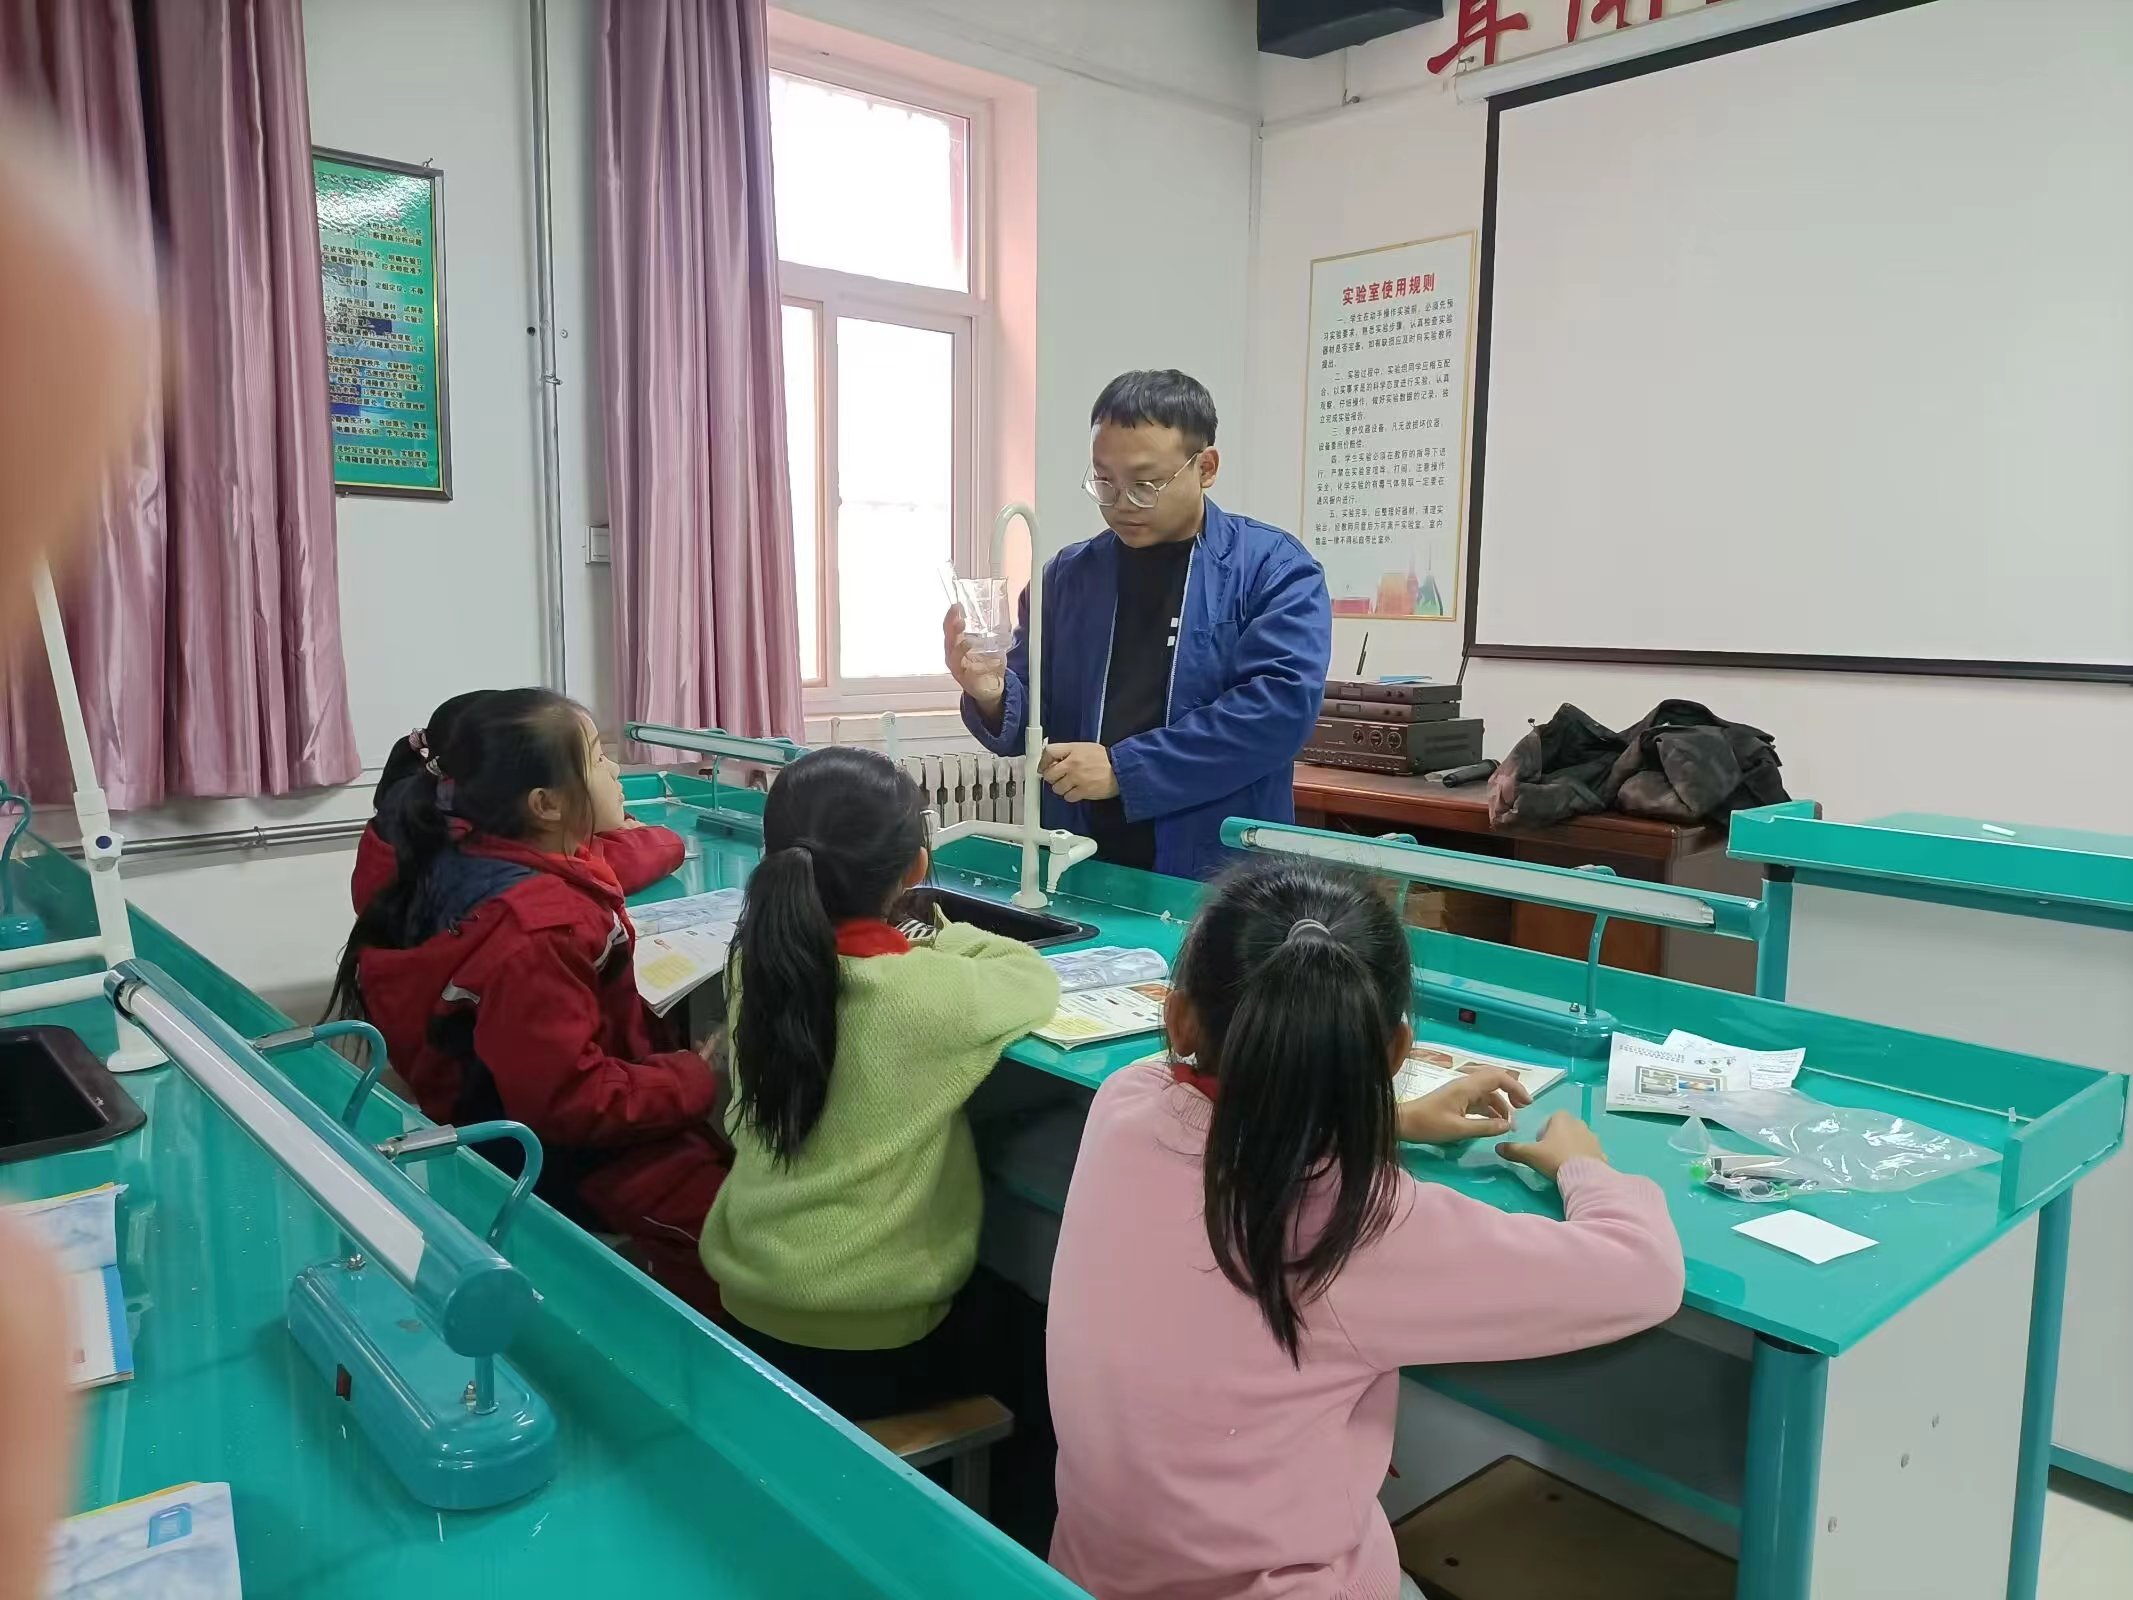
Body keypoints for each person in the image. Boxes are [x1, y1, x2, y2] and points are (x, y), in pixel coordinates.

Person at [1046, 863, 1686, 1600]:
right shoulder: (1357, 1220)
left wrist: (1386, 1121)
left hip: (1086, 1575)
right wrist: (1584, 1164)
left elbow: (1240, 1119)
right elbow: (1643, 1271)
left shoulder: (1125, 1102)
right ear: (1395, 1052)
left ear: (1179, 1018)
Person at [328, 687, 727, 1313]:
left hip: (501, 1099)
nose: (614, 771)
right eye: (597, 759)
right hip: (550, 1149)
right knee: (734, 1233)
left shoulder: (467, 850)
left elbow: (608, 860)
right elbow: (572, 1103)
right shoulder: (539, 931)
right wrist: (694, 1079)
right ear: (544, 803)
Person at [700, 745, 1059, 1420]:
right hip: (877, 1336)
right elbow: (1030, 978)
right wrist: (940, 937)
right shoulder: (925, 992)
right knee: (1029, 1347)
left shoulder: (756, 963)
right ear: (916, 870)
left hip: (748, 1300)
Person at [947, 370, 1331, 880]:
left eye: (1145, 484)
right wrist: (992, 693)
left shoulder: (1272, 569)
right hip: (1079, 853)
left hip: (1217, 866)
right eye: (1104, 481)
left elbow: (1277, 712)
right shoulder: (1066, 577)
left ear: (1206, 467)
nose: (1121, 503)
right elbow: (1032, 717)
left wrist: (1125, 770)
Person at [349, 690, 681, 915]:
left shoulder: (415, 812)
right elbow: (627, 860)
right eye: (596, 758)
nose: (614, 768)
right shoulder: (497, 860)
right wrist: (634, 832)